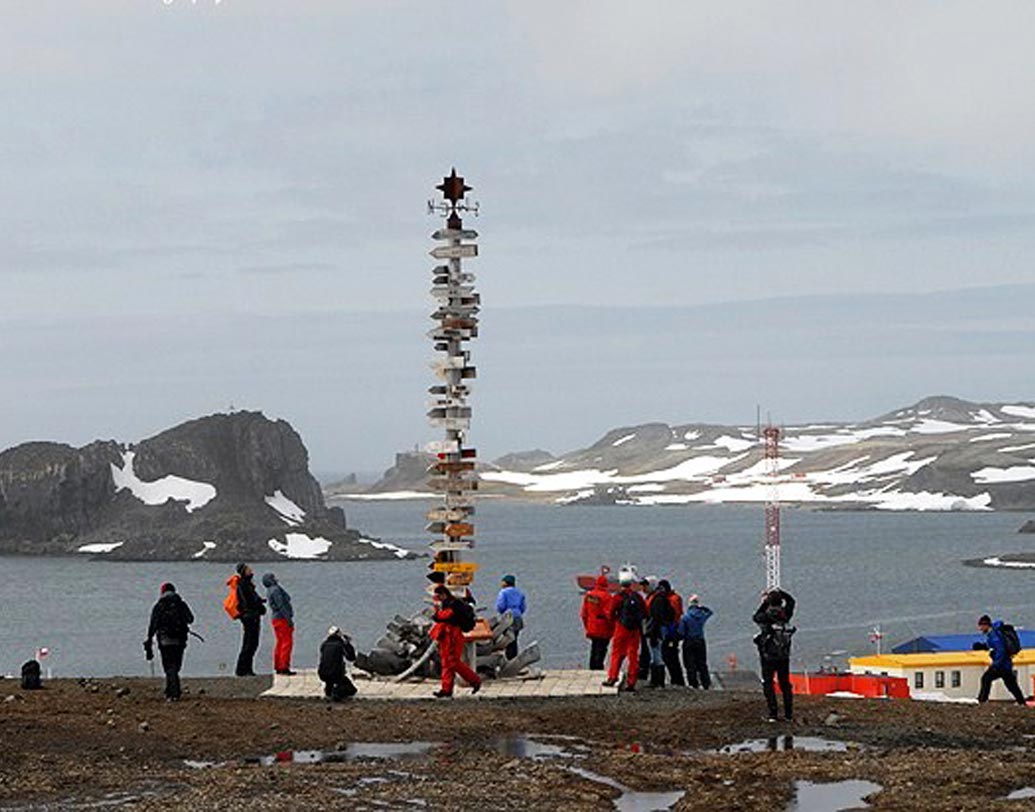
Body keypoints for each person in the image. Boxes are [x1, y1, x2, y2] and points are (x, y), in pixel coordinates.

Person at [144, 582, 195, 701]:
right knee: (176, 666)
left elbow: (153, 625)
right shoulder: (181, 604)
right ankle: (173, 691)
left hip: (164, 639)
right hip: (180, 640)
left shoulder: (159, 605)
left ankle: (172, 693)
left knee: (168, 666)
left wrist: (149, 639)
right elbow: (191, 619)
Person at [430, 585, 482, 698]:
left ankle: (474, 680)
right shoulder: (451, 603)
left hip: (452, 635)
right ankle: (446, 689)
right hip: (448, 635)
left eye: (438, 596)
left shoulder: (453, 605)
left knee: (452, 662)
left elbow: (442, 616)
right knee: (446, 662)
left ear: (443, 595)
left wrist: (436, 612)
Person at [753, 588, 796, 722]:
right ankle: (788, 714)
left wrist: (765, 602)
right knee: (785, 684)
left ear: (769, 602)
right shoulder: (785, 615)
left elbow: (756, 616)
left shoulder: (765, 616)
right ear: (780, 601)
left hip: (767, 655)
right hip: (783, 655)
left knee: (768, 683)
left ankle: (773, 714)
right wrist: (780, 592)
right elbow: (791, 601)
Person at [603, 573, 647, 692]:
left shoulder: (618, 597)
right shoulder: (638, 597)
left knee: (616, 653)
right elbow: (645, 612)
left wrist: (613, 620)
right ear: (631, 584)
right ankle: (631, 682)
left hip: (621, 627)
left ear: (620, 584)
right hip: (635, 630)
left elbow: (611, 613)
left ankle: (612, 677)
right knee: (632, 655)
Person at [976, 614, 1027, 705]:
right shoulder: (994, 634)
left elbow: (1000, 650)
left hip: (1001, 665)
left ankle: (982, 700)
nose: (980, 628)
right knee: (1011, 685)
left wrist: (995, 665)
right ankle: (1021, 702)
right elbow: (994, 646)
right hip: (1005, 664)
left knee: (986, 678)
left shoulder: (994, 635)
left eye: (981, 626)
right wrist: (983, 646)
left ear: (986, 625)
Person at [233, 563, 265, 677]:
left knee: (251, 643)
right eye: (248, 569)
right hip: (250, 616)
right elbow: (249, 601)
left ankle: (246, 668)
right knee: (250, 643)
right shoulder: (244, 584)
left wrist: (260, 602)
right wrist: (258, 606)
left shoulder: (246, 584)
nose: (251, 570)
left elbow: (251, 599)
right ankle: (243, 669)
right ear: (243, 571)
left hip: (249, 615)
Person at [647, 579, 679, 688]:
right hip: (664, 631)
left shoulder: (658, 600)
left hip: (657, 631)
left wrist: (653, 634)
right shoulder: (665, 599)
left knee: (656, 656)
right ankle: (660, 681)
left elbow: (656, 618)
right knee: (660, 655)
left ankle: (657, 681)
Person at [677, 594, 714, 689]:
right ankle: (706, 683)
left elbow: (681, 632)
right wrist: (701, 607)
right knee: (702, 663)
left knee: (690, 664)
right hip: (700, 641)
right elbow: (710, 612)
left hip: (689, 641)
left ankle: (693, 683)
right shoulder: (701, 615)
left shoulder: (685, 617)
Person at [262, 573, 295, 676]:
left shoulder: (270, 590)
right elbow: (281, 605)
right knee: (287, 642)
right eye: (273, 577)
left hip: (276, 619)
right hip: (282, 619)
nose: (276, 578)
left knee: (280, 642)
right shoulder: (276, 590)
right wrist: (289, 619)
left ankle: (278, 666)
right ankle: (284, 666)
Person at [580, 574, 614, 670]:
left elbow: (583, 614)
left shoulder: (589, 595)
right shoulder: (607, 597)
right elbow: (609, 615)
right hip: (603, 629)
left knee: (594, 649)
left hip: (591, 627)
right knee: (601, 649)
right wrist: (613, 628)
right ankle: (598, 669)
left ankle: (592, 668)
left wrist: (587, 627)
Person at [318, 626, 358, 701]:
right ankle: (337, 692)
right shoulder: (340, 644)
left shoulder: (324, 644)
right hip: (336, 674)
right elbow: (351, 658)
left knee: (330, 682)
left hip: (323, 673)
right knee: (352, 690)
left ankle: (329, 691)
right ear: (338, 634)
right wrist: (348, 643)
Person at [495, 574, 527, 659]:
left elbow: (500, 606)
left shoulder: (503, 592)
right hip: (518, 617)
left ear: (506, 583)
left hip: (508, 617)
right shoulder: (519, 593)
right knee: (515, 639)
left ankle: (509, 659)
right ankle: (514, 658)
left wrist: (502, 613)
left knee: (508, 639)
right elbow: (523, 607)